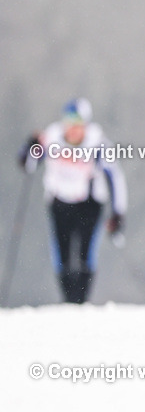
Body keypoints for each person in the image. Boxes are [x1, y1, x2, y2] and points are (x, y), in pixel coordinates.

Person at [18, 98, 127, 303]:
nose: (73, 129)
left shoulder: (98, 143)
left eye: (78, 124)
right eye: (69, 123)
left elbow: (115, 178)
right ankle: (69, 301)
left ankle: (82, 301)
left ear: (85, 124)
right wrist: (30, 145)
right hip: (59, 202)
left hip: (89, 203)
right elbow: (27, 164)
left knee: (86, 253)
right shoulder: (51, 139)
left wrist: (118, 213)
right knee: (63, 254)